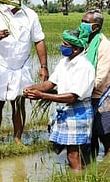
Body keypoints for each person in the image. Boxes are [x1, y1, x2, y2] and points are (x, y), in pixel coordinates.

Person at [0, 0, 48, 145]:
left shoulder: (30, 15)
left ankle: (17, 139)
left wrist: (43, 66)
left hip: (21, 66)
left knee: (19, 103)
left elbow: (38, 40)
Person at [23, 29, 95, 170]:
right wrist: (32, 88)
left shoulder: (84, 67)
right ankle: (79, 177)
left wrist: (42, 96)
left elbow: (72, 96)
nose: (61, 46)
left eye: (65, 44)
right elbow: (50, 84)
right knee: (71, 153)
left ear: (75, 49)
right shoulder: (64, 62)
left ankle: (78, 181)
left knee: (73, 154)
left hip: (78, 112)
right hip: (65, 111)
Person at [80, 10, 110, 156]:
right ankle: (92, 165)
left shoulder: (104, 46)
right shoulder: (84, 42)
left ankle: (108, 166)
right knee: (90, 136)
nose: (81, 25)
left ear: (95, 27)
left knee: (105, 135)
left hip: (100, 96)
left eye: (85, 23)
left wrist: (79, 90)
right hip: (86, 95)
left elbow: (100, 78)